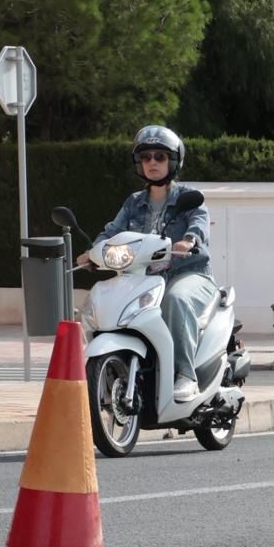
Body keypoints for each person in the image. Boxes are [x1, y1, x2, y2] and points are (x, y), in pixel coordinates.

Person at [81, 125, 216, 403]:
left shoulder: (188, 197)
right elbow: (112, 231)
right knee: (106, 300)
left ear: (174, 161)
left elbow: (199, 223)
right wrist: (93, 251)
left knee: (175, 300)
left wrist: (189, 240)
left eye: (160, 156)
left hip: (188, 274)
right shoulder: (133, 202)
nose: (152, 162)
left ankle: (185, 375)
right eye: (146, 157)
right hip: (144, 278)